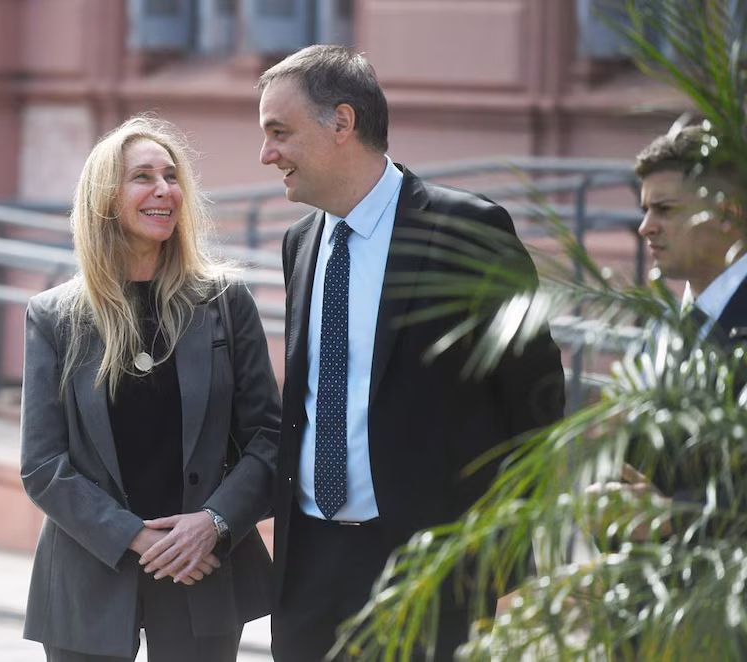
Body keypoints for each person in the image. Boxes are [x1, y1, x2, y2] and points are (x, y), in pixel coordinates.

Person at [257, 45, 566, 661]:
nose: (267, 154)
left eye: (279, 132)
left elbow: (534, 399)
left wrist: (505, 556)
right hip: (308, 568)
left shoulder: (466, 230)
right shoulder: (299, 243)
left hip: (430, 574)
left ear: (342, 123)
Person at [19, 115, 280, 662]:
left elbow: (269, 439)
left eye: (171, 176)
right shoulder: (55, 316)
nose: (164, 189)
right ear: (104, 198)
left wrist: (213, 524)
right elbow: (43, 465)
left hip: (202, 569)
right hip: (88, 577)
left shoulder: (225, 303)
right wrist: (136, 537)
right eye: (143, 176)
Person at [586, 125, 747, 540]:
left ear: (727, 214)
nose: (645, 227)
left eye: (665, 210)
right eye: (645, 210)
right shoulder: (663, 329)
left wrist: (675, 518)